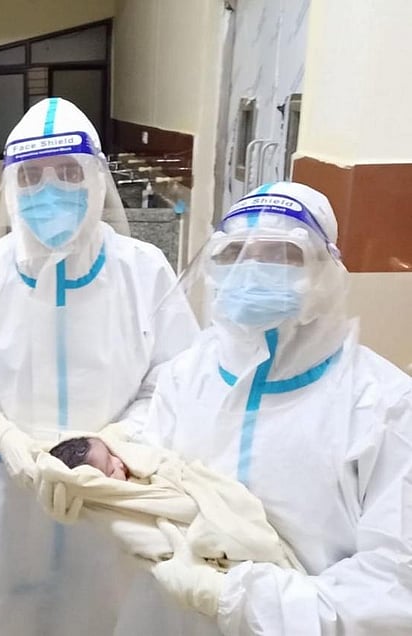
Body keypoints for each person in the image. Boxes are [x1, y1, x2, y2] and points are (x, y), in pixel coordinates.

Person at [0, 97, 199, 635]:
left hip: (116, 489)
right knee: (4, 609)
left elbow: (176, 377)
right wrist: (1, 434)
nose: (48, 189)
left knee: (110, 608)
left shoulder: (142, 271)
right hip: (7, 489)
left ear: (98, 180)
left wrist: (118, 442)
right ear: (9, 188)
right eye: (30, 176)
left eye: (69, 172)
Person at [109, 182, 412, 634]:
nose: (252, 271)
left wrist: (243, 599)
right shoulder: (184, 377)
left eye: (280, 254)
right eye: (235, 255)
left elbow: (393, 582)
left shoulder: (383, 405)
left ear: (326, 268)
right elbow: (154, 489)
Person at [41, 434, 301, 571]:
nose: (120, 462)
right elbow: (150, 536)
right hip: (193, 525)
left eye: (113, 456)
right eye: (111, 470)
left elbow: (166, 466)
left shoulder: (136, 465)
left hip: (202, 491)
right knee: (208, 538)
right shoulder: (117, 509)